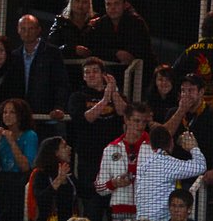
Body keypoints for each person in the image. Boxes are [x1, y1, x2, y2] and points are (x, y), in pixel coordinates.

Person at [67, 57, 126, 221]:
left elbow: (124, 113)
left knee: (115, 209)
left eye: (95, 71)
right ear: (83, 76)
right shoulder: (77, 97)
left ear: (103, 74)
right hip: (89, 160)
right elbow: (86, 118)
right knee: (93, 208)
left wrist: (113, 92)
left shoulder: (116, 95)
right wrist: (105, 100)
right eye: (87, 72)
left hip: (114, 159)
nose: (91, 75)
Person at [162, 73, 213, 186]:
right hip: (176, 175)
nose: (186, 94)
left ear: (201, 92)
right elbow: (162, 138)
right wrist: (181, 111)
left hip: (203, 177)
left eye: (191, 90)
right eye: (183, 90)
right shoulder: (173, 113)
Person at [83, 0, 155, 88]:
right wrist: (115, 53)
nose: (112, 8)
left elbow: (141, 50)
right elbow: (93, 49)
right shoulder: (100, 24)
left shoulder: (137, 23)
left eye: (116, 4)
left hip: (140, 76)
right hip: (111, 74)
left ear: (124, 5)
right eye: (108, 4)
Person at [2, 15, 69, 122]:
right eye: (23, 29)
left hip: (47, 115)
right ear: (18, 30)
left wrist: (59, 107)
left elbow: (61, 83)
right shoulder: (14, 56)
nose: (27, 33)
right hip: (20, 117)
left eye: (31, 28)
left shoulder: (52, 53)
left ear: (38, 30)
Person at [134, 126, 207, 221]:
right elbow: (200, 166)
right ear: (171, 143)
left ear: (151, 145)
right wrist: (193, 147)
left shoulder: (143, 164)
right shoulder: (167, 164)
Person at [95, 102, 152, 220]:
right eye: (136, 121)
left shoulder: (154, 148)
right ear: (126, 119)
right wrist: (114, 183)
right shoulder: (111, 149)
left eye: (144, 122)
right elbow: (99, 188)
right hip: (120, 212)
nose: (141, 126)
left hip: (148, 212)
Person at [0, 98, 37, 221]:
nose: (7, 115)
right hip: (3, 180)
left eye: (12, 112)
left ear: (21, 115)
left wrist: (12, 142)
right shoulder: (1, 135)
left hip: (20, 180)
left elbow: (25, 167)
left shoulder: (30, 135)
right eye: (5, 112)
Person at [47, 0, 96, 85]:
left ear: (89, 4)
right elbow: (51, 48)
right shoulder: (60, 23)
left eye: (84, 2)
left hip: (90, 75)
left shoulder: (95, 24)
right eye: (77, 1)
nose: (80, 5)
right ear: (71, 2)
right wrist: (73, 49)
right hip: (64, 74)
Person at [26, 137, 76, 221]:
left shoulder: (66, 171)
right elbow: (41, 199)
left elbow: (83, 191)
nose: (69, 148)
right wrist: (58, 180)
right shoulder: (40, 173)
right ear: (55, 152)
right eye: (64, 146)